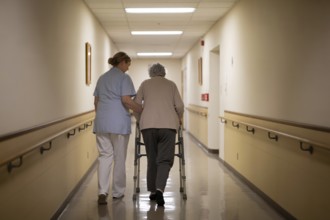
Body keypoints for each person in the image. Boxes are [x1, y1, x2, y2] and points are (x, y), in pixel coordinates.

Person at [93, 51, 142, 205]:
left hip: (101, 123)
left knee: (104, 156)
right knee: (119, 157)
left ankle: (102, 191)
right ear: (122, 62)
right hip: (119, 124)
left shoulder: (102, 78)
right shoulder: (124, 77)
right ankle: (117, 192)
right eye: (128, 64)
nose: (128, 68)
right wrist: (141, 109)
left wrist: (104, 116)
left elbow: (96, 102)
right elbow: (126, 100)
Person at [134, 63, 184, 206]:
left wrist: (140, 120)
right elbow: (179, 106)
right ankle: (160, 189)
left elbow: (136, 105)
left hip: (148, 126)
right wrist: (179, 118)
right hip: (168, 126)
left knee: (152, 158)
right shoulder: (171, 85)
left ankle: (153, 192)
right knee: (164, 160)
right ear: (164, 73)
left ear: (151, 73)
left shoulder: (145, 84)